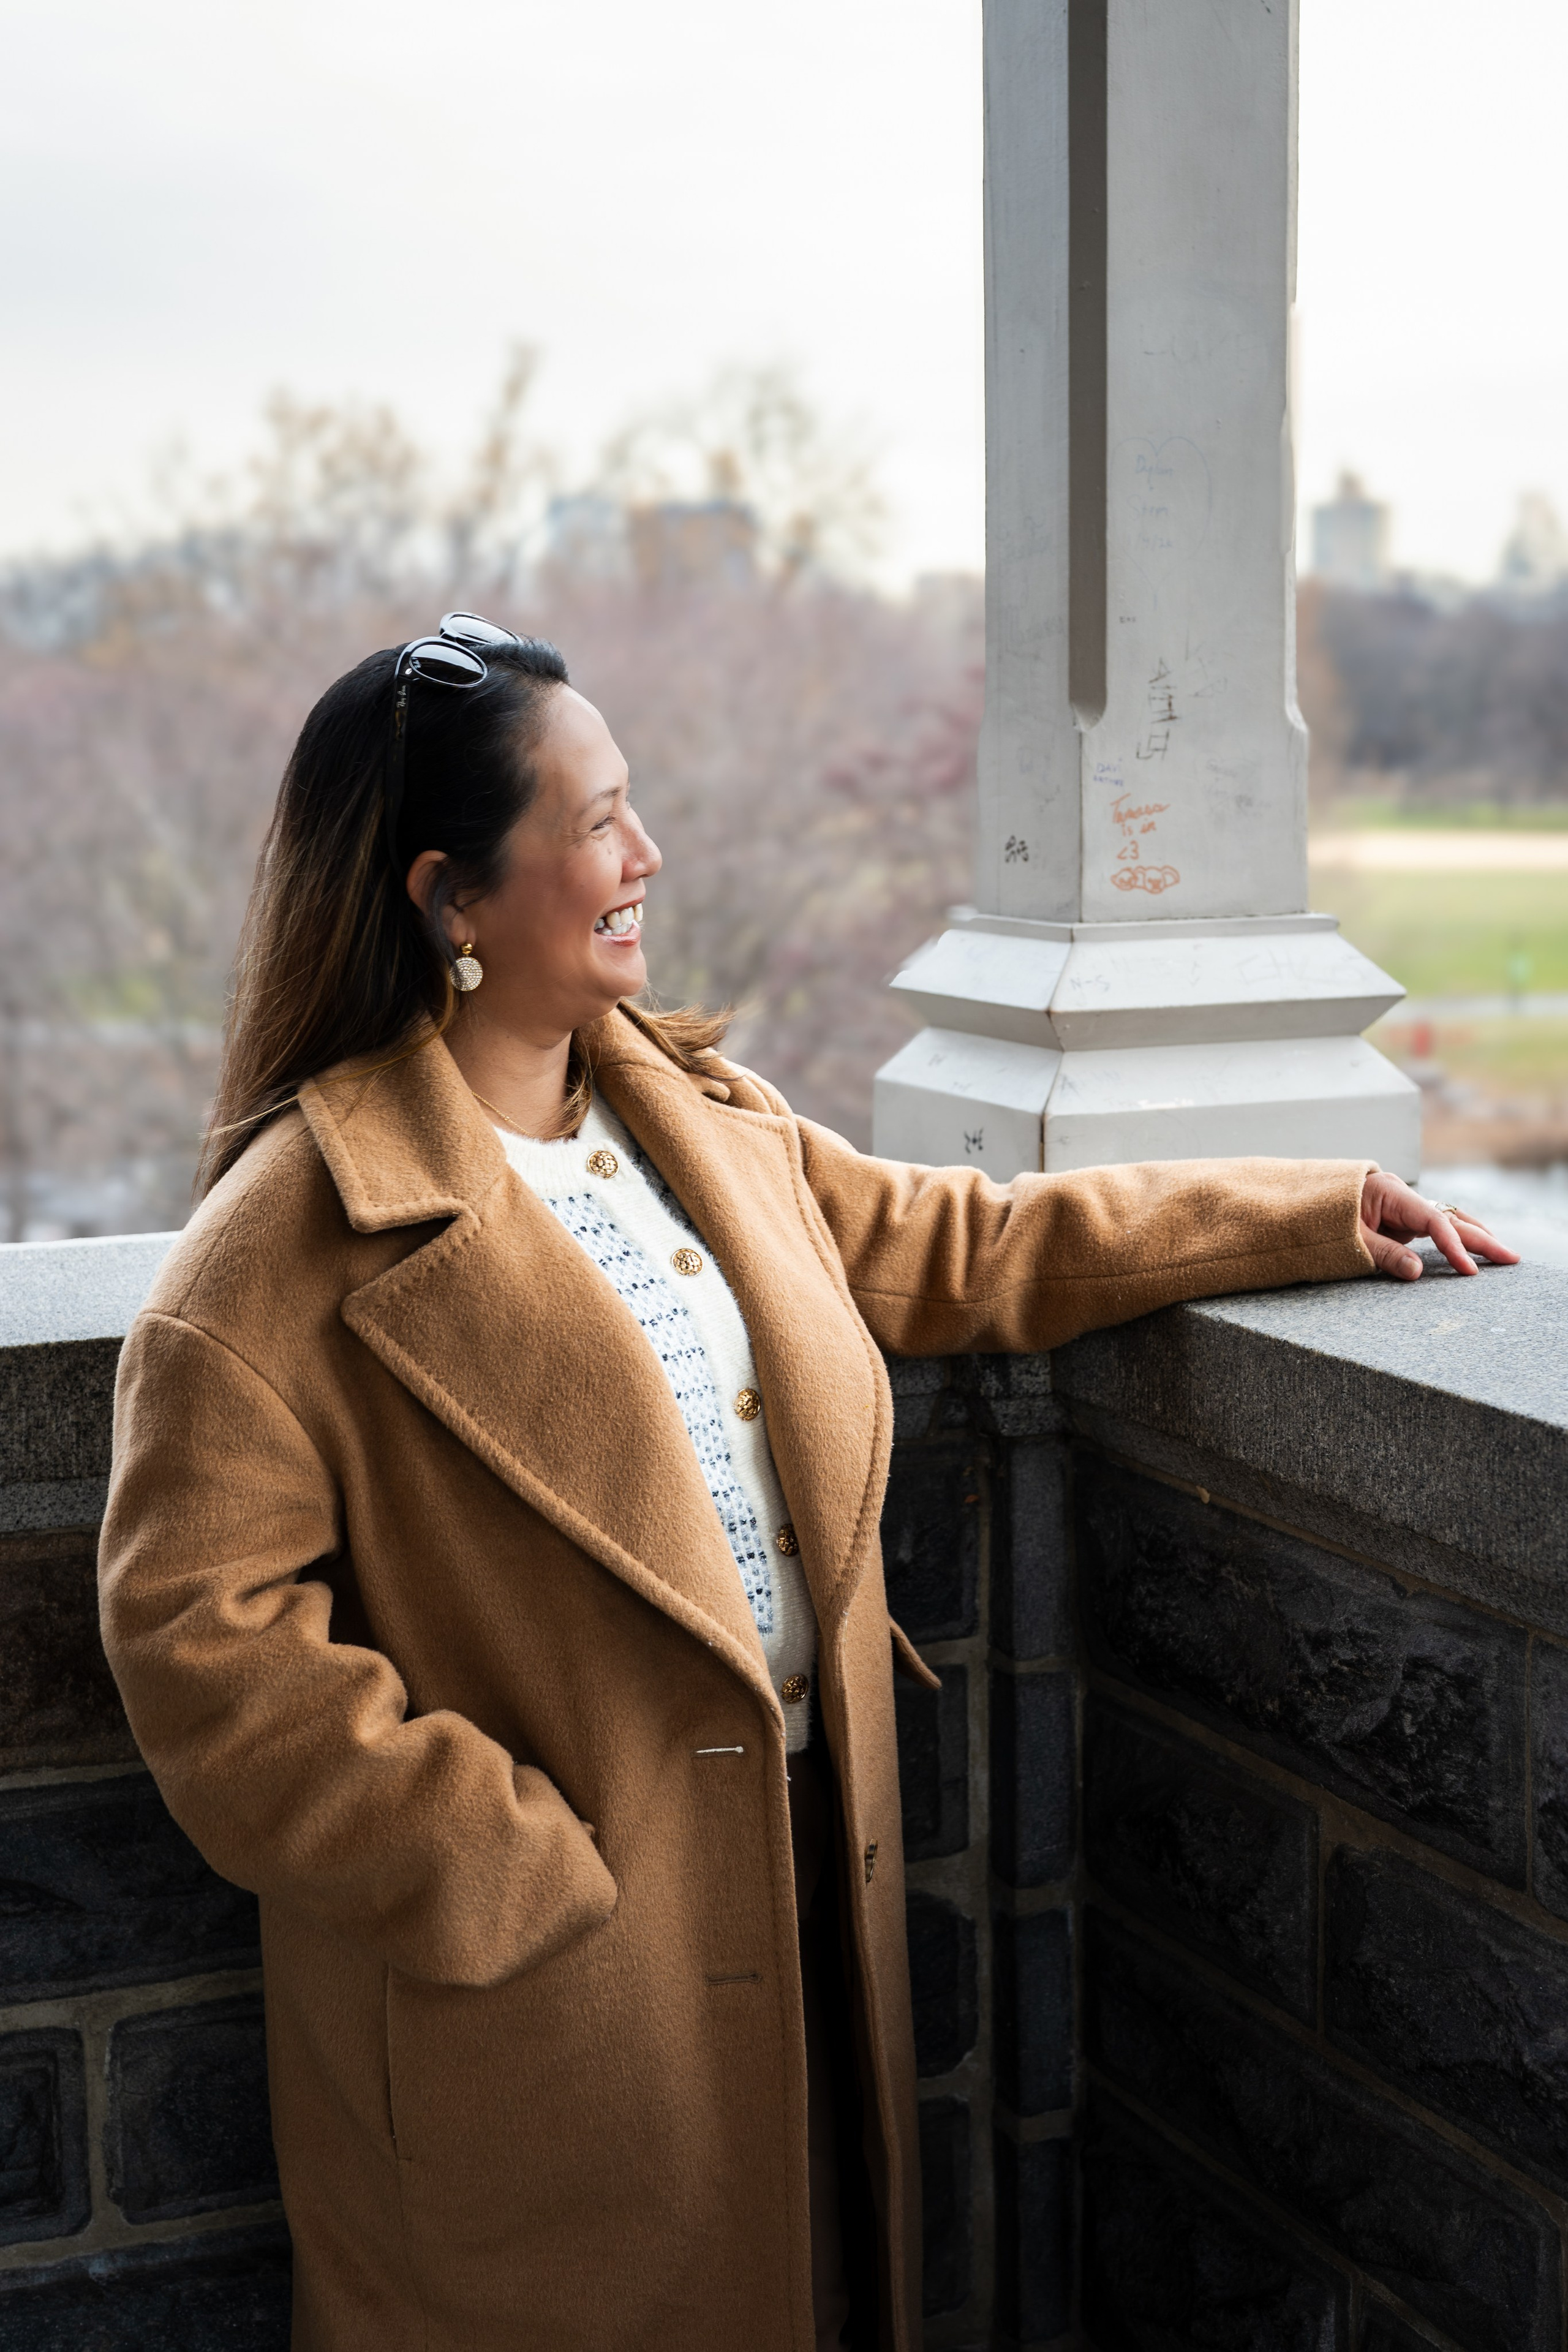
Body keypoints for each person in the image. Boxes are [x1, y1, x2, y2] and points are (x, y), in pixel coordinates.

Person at [97, 616, 1515, 2352]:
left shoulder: (694, 1115)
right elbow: (202, 1648)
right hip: (546, 2010)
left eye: (638, 808)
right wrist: (512, 1868)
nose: (647, 855)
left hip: (794, 1915)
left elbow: (959, 1242)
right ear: (449, 899)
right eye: (598, 820)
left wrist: (1308, 1213)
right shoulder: (275, 1252)